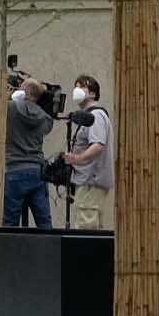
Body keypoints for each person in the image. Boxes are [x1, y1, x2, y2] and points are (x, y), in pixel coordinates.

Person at [0, 68, 58, 230]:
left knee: (10, 224)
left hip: (14, 171)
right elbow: (49, 123)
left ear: (24, 93)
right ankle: (48, 253)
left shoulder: (10, 109)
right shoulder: (44, 117)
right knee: (44, 223)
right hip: (37, 172)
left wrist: (6, 99)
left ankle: (10, 254)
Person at [60, 76, 115, 233]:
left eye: (82, 87)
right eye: (76, 86)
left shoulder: (95, 116)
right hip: (89, 182)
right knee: (93, 227)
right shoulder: (89, 116)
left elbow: (98, 145)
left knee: (86, 226)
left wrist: (75, 159)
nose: (77, 90)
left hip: (91, 181)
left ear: (93, 93)